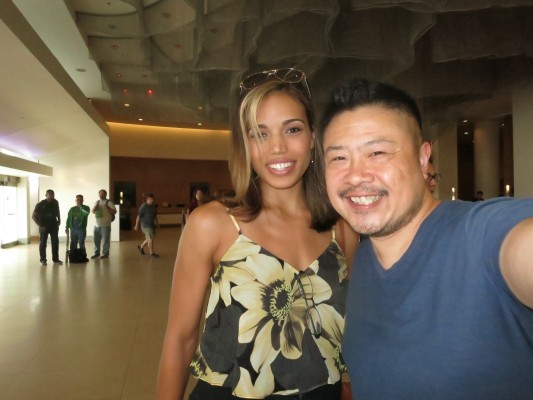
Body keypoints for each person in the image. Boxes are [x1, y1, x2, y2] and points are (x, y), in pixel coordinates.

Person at [319, 77, 533, 400]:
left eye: (377, 152)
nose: (356, 175)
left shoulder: (481, 236)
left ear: (423, 160)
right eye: (338, 158)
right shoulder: (363, 258)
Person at [157, 68, 358, 400]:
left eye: (292, 129)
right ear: (245, 145)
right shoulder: (213, 223)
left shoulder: (343, 228)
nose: (277, 147)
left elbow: (354, 329)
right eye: (259, 134)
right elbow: (180, 338)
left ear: (312, 137)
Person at [32, 189, 62, 265]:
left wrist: (59, 220)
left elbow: (57, 211)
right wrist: (40, 225)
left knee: (55, 242)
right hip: (44, 226)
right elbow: (34, 216)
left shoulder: (55, 202)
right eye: (50, 194)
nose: (52, 196)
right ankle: (43, 260)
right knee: (43, 243)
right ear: (46, 195)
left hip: (53, 226)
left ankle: (55, 259)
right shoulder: (41, 204)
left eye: (53, 194)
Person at [91, 189, 116, 259]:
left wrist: (107, 208)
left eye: (103, 194)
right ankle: (96, 253)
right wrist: (95, 208)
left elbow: (114, 212)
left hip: (106, 225)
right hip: (96, 225)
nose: (101, 195)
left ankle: (105, 254)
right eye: (100, 193)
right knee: (96, 240)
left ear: (106, 194)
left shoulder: (109, 202)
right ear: (98, 194)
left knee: (105, 241)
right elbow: (93, 211)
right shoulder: (97, 202)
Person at [134, 193, 159, 258]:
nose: (151, 200)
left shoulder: (153, 207)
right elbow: (138, 216)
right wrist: (136, 225)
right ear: (147, 199)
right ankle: (151, 253)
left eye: (152, 199)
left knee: (149, 238)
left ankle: (141, 247)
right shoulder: (143, 207)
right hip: (145, 226)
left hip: (151, 225)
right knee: (150, 239)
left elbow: (155, 216)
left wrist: (157, 223)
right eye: (150, 199)